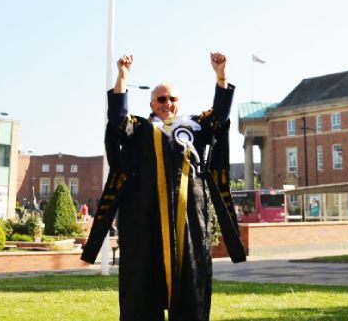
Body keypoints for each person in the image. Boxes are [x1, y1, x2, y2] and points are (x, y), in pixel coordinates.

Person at [82, 52, 240, 321]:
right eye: (162, 99)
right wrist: (122, 77)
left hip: (188, 221)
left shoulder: (193, 127)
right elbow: (118, 119)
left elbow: (219, 117)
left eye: (172, 99)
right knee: (143, 289)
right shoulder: (139, 128)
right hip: (145, 222)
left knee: (190, 285)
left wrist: (220, 76)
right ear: (152, 103)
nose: (168, 104)